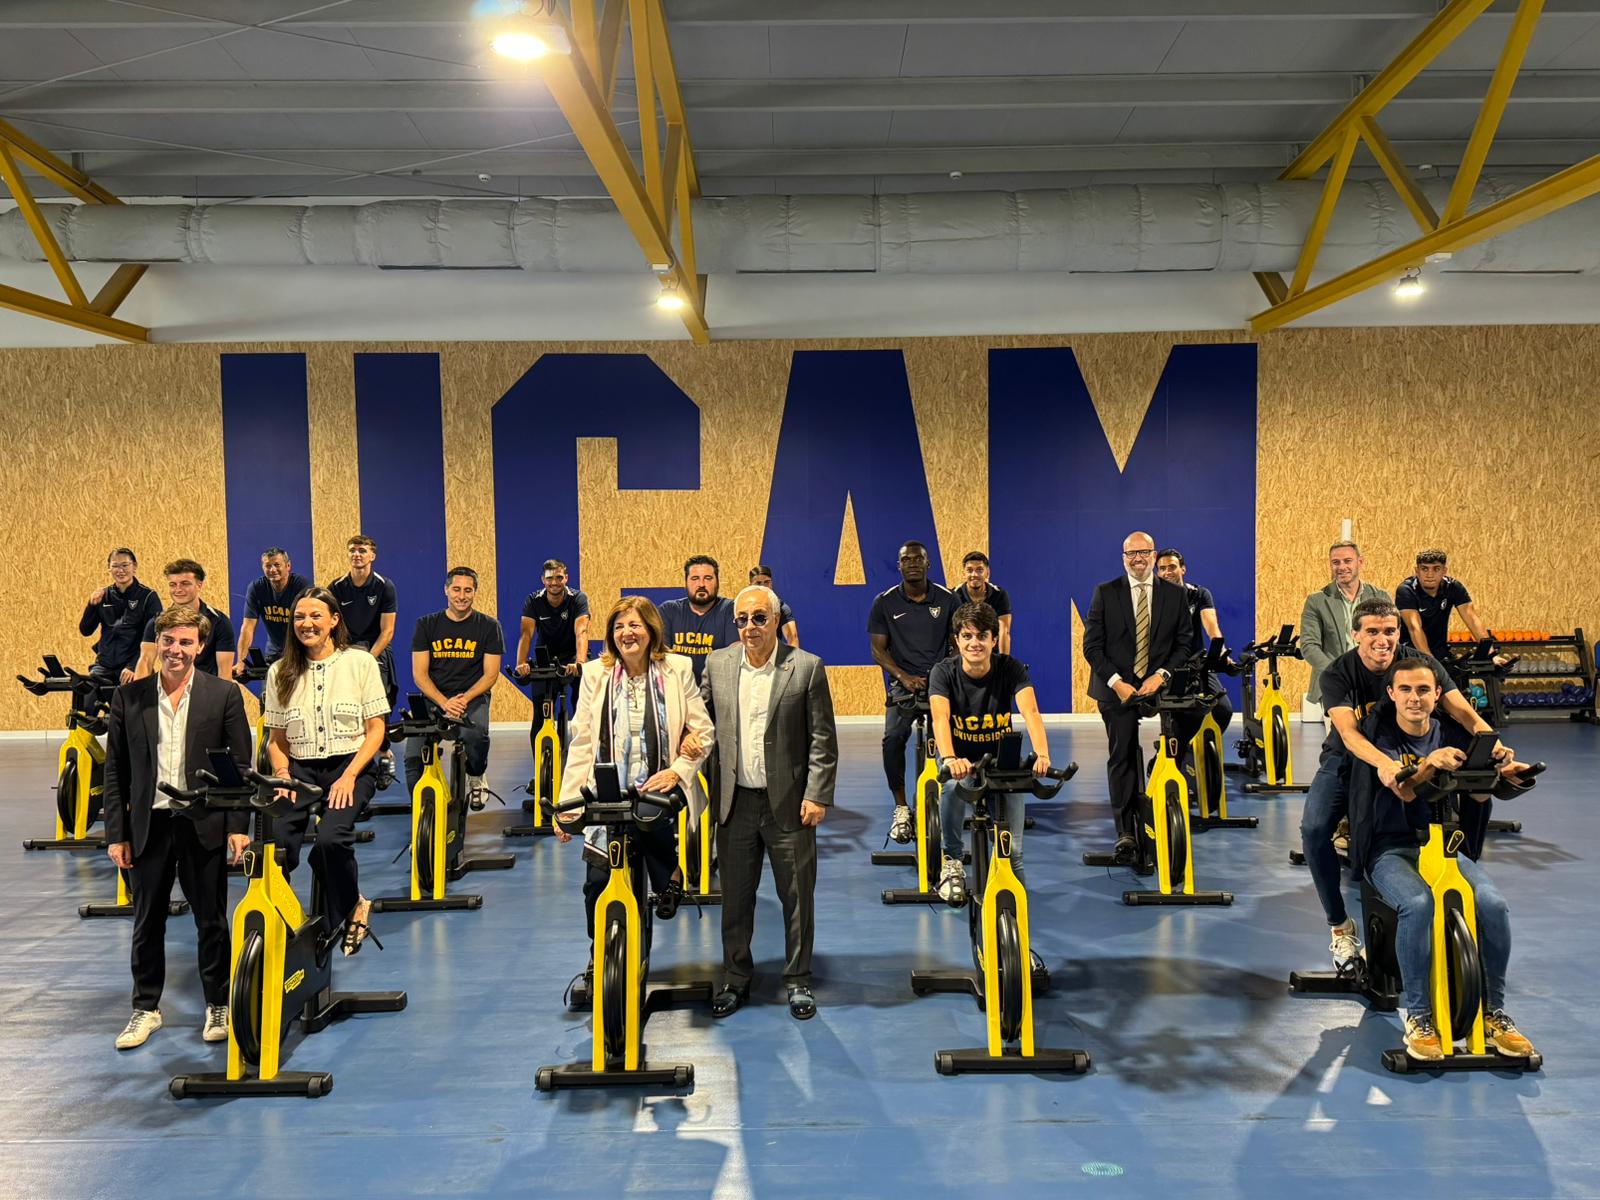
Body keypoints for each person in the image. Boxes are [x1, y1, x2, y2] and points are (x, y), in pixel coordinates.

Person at [1347, 658, 1537, 1061]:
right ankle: (1418, 1016)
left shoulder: (1452, 731)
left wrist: (1501, 772)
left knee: (1493, 904)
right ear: (1392, 694)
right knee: (1418, 905)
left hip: (1445, 845)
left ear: (1438, 695)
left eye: (1423, 691)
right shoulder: (1378, 735)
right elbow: (1403, 790)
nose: (1414, 698)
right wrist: (1428, 764)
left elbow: (1480, 797)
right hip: (1389, 848)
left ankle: (1495, 1014)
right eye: (1406, 691)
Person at [1301, 598, 1501, 972]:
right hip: (1349, 759)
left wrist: (1492, 740)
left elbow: (1461, 710)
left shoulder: (1420, 664)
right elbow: (1348, 733)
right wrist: (1387, 765)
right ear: (1355, 634)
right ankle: (1340, 926)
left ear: (1399, 633)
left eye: (1389, 631)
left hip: (1407, 751)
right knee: (1313, 830)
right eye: (1372, 631)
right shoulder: (1338, 673)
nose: (1382, 640)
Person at [104, 605, 253, 1050]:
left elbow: (240, 768)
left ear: (200, 647)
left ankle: (218, 1003)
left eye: (186, 642)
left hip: (202, 823)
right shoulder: (128, 698)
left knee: (211, 921)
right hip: (149, 826)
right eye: (168, 641)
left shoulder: (223, 695)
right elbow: (116, 773)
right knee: (146, 921)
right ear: (158, 642)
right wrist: (117, 834)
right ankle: (146, 1008)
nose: (176, 650)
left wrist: (237, 825)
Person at [555, 595, 713, 980]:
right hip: (606, 787)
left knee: (645, 819)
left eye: (635, 625)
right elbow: (582, 743)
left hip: (659, 785)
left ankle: (666, 877)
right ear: (611, 634)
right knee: (596, 882)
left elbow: (703, 731)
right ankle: (601, 953)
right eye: (620, 626)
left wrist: (678, 768)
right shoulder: (596, 674)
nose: (627, 633)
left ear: (651, 630)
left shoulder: (677, 668)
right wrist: (566, 804)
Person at [701, 585, 837, 1020]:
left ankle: (798, 980)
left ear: (776, 620)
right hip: (734, 803)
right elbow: (699, 726)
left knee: (798, 896)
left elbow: (822, 739)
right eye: (741, 619)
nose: (749, 627)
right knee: (735, 899)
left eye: (758, 618)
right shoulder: (717, 665)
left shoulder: (806, 668)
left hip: (790, 805)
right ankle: (736, 978)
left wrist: (817, 794)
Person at [262, 588, 390, 956]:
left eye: (316, 616)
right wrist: (283, 772)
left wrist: (349, 776)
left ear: (334, 621)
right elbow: (276, 739)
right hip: (299, 769)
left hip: (351, 764)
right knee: (276, 846)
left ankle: (353, 906)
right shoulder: (280, 672)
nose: (307, 624)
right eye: (300, 617)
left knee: (331, 841)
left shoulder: (360, 662)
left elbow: (376, 729)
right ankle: (284, 924)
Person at [928, 601, 1051, 908]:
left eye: (982, 636)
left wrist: (1042, 754)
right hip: (962, 763)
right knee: (953, 788)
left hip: (1001, 766)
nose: (975, 643)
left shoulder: (1010, 668)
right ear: (957, 640)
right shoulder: (943, 672)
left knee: (1014, 854)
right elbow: (940, 718)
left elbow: (1031, 711)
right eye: (967, 636)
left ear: (994, 640)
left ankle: (1018, 927)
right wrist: (950, 759)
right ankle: (952, 861)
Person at [1082, 531, 1192, 866]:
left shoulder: (1175, 595)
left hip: (1159, 685)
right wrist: (1117, 683)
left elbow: (1184, 644)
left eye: (1144, 552)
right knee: (1123, 754)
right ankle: (1125, 832)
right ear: (1123, 558)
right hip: (1117, 688)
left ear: (1154, 555)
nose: (1138, 559)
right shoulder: (1106, 592)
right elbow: (1092, 647)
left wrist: (1162, 676)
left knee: (1185, 730)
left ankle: (1166, 808)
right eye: (1131, 554)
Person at [868, 541, 957, 844]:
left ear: (928, 564)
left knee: (951, 739)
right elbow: (878, 650)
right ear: (899, 565)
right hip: (902, 684)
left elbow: (959, 643)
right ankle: (901, 807)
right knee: (892, 738)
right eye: (906, 559)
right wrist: (902, 676)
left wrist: (940, 675)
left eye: (918, 559)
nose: (913, 563)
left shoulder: (948, 599)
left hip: (941, 681)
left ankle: (948, 799)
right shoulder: (885, 602)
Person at [408, 567, 502, 811]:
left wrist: (463, 699)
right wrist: (443, 702)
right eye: (456, 589)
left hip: (471, 696)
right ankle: (424, 814)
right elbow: (419, 674)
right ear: (446, 590)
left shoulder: (489, 626)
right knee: (414, 758)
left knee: (475, 736)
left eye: (468, 590)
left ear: (475, 592)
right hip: (434, 698)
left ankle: (476, 775)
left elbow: (491, 674)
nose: (462, 596)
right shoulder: (426, 625)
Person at [327, 534, 398, 786]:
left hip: (373, 649)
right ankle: (351, 757)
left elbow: (387, 631)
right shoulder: (336, 587)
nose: (357, 554)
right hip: (345, 647)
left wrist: (367, 660)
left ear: (372, 556)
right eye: (352, 551)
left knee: (379, 702)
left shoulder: (383, 586)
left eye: (362, 550)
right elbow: (330, 626)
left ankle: (384, 753)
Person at [1155, 547, 1233, 746]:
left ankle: (1194, 749)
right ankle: (1166, 759)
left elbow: (1212, 626)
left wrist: (1221, 652)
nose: (1167, 572)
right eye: (1162, 568)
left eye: (1172, 567)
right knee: (1183, 715)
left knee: (1223, 710)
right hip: (1168, 667)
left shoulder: (1198, 594)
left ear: (1183, 569)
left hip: (1197, 664)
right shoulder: (1153, 599)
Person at [1300, 541, 1391, 709]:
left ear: (1360, 562)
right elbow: (1309, 646)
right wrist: (1338, 672)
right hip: (1334, 683)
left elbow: (1391, 638)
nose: (1341, 567)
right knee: (1340, 734)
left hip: (1374, 681)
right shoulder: (1316, 601)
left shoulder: (1381, 596)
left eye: (1347, 561)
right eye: (1336, 562)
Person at [513, 558, 591, 729]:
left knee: (582, 704)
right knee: (541, 712)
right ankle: (540, 754)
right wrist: (521, 664)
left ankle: (583, 747)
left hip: (572, 654)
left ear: (566, 578)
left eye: (559, 577)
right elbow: (526, 634)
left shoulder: (578, 598)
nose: (554, 582)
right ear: (543, 580)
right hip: (546, 656)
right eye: (549, 578)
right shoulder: (534, 601)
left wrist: (580, 662)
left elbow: (581, 632)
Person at [133, 558, 235, 681]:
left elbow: (224, 673)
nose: (178, 590)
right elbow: (146, 660)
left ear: (199, 585)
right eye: (173, 584)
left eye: (185, 584)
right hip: (169, 691)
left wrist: (220, 699)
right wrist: (136, 696)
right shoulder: (156, 621)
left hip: (206, 692)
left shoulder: (219, 622)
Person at [1396, 548, 1503, 661]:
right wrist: (1430, 661)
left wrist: (1491, 654)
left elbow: (1472, 619)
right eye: (1424, 569)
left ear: (1444, 571)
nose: (1430, 574)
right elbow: (1414, 628)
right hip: (1411, 651)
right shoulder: (1406, 590)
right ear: (1417, 571)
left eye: (1436, 569)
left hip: (1440, 650)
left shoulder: (1453, 587)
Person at [80, 547, 163, 684]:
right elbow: (85, 630)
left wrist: (133, 666)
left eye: (125, 565)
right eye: (115, 566)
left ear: (134, 567)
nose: (120, 570)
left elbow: (155, 637)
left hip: (132, 665)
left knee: (129, 701)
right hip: (104, 666)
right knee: (85, 696)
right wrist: (92, 606)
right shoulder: (103, 595)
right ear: (109, 569)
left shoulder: (148, 596)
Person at [659, 555, 738, 684]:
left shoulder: (730, 609)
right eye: (695, 578)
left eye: (708, 578)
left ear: (717, 581)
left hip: (717, 693)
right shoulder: (669, 611)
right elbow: (661, 657)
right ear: (686, 582)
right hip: (678, 691)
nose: (701, 584)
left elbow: (734, 657)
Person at [233, 548, 312, 674]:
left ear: (288, 566)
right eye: (268, 566)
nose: (272, 570)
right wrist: (240, 662)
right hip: (274, 652)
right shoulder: (257, 588)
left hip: (300, 649)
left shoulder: (301, 586)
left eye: (277, 565)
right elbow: (248, 627)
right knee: (268, 691)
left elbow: (308, 622)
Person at [957, 551, 1013, 655]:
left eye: (979, 570)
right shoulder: (954, 595)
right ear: (963, 574)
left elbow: (1004, 631)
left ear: (987, 573)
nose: (974, 574)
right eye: (969, 570)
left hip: (991, 654)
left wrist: (1004, 663)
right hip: (964, 655)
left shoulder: (999, 595)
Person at [748, 565, 799, 648]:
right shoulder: (742, 608)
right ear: (750, 586)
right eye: (758, 583)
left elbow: (792, 637)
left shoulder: (781, 608)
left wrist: (795, 660)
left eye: (767, 582)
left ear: (771, 584)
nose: (763, 586)